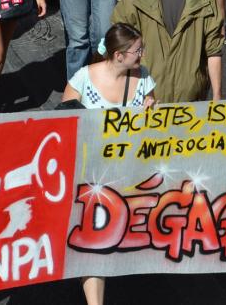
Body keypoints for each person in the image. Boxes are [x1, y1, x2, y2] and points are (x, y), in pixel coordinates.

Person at [59, 23, 154, 305]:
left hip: (124, 174)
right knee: (93, 240)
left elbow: (153, 130)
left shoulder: (144, 79)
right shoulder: (83, 79)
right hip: (88, 174)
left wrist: (151, 110)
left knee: (108, 238)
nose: (142, 55)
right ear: (119, 55)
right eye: (138, 50)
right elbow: (62, 126)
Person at [111, 0, 221, 102]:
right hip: (146, 98)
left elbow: (214, 50)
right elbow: (118, 40)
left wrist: (217, 95)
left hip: (190, 101)